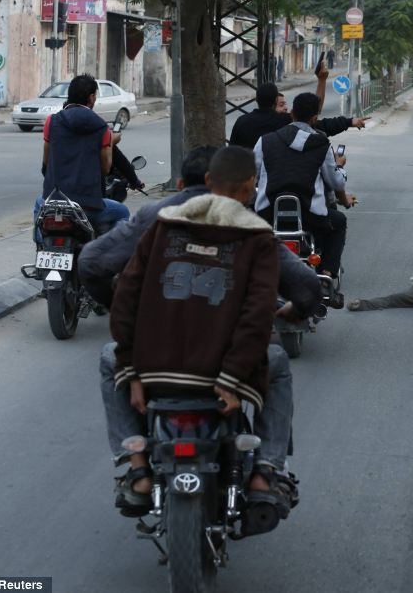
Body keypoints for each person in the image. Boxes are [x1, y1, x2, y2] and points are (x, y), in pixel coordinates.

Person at [107, 147, 297, 532]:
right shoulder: (258, 238)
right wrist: (231, 377)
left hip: (154, 371)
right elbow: (257, 316)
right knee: (278, 365)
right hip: (221, 378)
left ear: (206, 182)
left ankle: (138, 469)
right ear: (251, 187)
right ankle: (266, 472)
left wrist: (132, 370)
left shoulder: (163, 226)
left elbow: (125, 297)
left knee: (107, 359)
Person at [79, 145, 323, 316]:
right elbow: (307, 289)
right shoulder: (251, 228)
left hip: (157, 352)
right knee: (275, 359)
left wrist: (121, 305)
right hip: (228, 360)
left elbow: (91, 263)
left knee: (112, 359)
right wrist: (293, 314)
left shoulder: (153, 217)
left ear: (181, 184)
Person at [255, 92, 355, 281]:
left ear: (292, 113)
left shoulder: (265, 141)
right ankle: (326, 274)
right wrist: (339, 166)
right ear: (314, 119)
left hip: (268, 214)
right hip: (310, 217)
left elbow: (253, 174)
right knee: (339, 222)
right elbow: (336, 182)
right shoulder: (322, 144)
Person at [38, 74, 129, 229]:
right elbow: (105, 168)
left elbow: (46, 161)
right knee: (122, 212)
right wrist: (109, 143)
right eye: (95, 96)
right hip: (89, 205)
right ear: (91, 97)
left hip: (53, 200)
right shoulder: (102, 127)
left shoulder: (51, 121)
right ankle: (110, 245)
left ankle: (40, 240)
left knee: (38, 207)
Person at [229, 82, 286, 150]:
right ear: (276, 100)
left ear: (256, 99)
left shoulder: (241, 121)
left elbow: (231, 150)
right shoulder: (284, 121)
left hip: (246, 156)